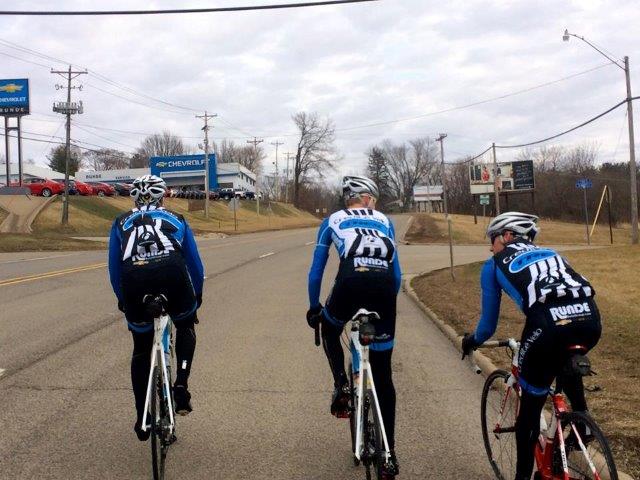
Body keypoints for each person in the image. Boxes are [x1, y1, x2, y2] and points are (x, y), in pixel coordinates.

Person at [461, 212, 601, 480]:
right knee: (563, 354)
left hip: (547, 328)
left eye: (493, 239)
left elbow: (488, 326)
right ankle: (582, 421)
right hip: (590, 320)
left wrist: (471, 341)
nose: (491, 247)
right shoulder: (553, 253)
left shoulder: (493, 265)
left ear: (507, 236)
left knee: (530, 411)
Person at [306, 175, 402, 478]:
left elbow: (316, 270)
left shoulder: (332, 219)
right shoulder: (385, 220)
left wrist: (314, 307)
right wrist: (386, 304)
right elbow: (396, 273)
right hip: (384, 288)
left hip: (350, 281)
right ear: (367, 198)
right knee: (384, 376)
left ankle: (342, 385)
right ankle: (389, 453)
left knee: (331, 328)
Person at [108, 174, 204, 441]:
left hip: (133, 280)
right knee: (185, 325)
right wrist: (197, 295)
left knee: (141, 347)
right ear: (162, 196)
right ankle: (181, 385)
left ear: (134, 198)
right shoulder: (177, 219)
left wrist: (122, 298)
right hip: (172, 273)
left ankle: (143, 417)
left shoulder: (119, 222)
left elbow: (114, 269)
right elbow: (195, 265)